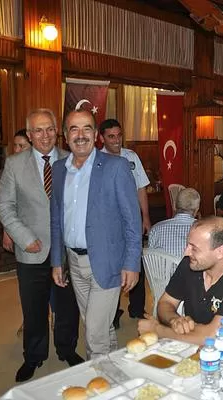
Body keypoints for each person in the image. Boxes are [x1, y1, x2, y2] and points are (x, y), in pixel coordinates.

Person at [0, 108, 82, 382]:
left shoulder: (72, 159)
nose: (44, 135)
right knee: (33, 309)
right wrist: (23, 238)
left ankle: (67, 349)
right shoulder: (14, 164)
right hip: (30, 250)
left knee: (67, 306)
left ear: (57, 132)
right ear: (29, 135)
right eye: (38, 130)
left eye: (49, 129)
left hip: (65, 251)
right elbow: (5, 206)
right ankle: (33, 356)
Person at [51, 110, 142, 359]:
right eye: (74, 129)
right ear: (65, 135)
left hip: (107, 262)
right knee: (100, 327)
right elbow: (56, 217)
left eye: (87, 128)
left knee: (94, 334)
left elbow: (132, 219)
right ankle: (113, 373)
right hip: (74, 262)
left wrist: (132, 263)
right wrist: (57, 260)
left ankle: (99, 380)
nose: (80, 135)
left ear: (95, 135)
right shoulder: (59, 169)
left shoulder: (116, 167)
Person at [138, 217, 223, 357]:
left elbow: (213, 336)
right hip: (187, 350)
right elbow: (166, 302)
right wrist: (175, 320)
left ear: (220, 252)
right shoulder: (190, 264)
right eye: (188, 245)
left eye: (194, 248)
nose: (186, 252)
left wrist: (158, 330)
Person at [99, 119, 150, 324]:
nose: (116, 140)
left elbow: (141, 188)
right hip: (109, 224)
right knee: (112, 268)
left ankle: (137, 309)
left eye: (119, 135)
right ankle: (113, 313)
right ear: (102, 138)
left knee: (135, 261)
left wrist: (145, 217)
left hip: (131, 220)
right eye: (111, 136)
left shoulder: (131, 157)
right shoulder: (97, 160)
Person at [148, 188, 200, 258]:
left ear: (174, 206)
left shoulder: (155, 229)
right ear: (197, 209)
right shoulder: (203, 230)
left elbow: (150, 258)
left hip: (162, 265)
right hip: (190, 265)